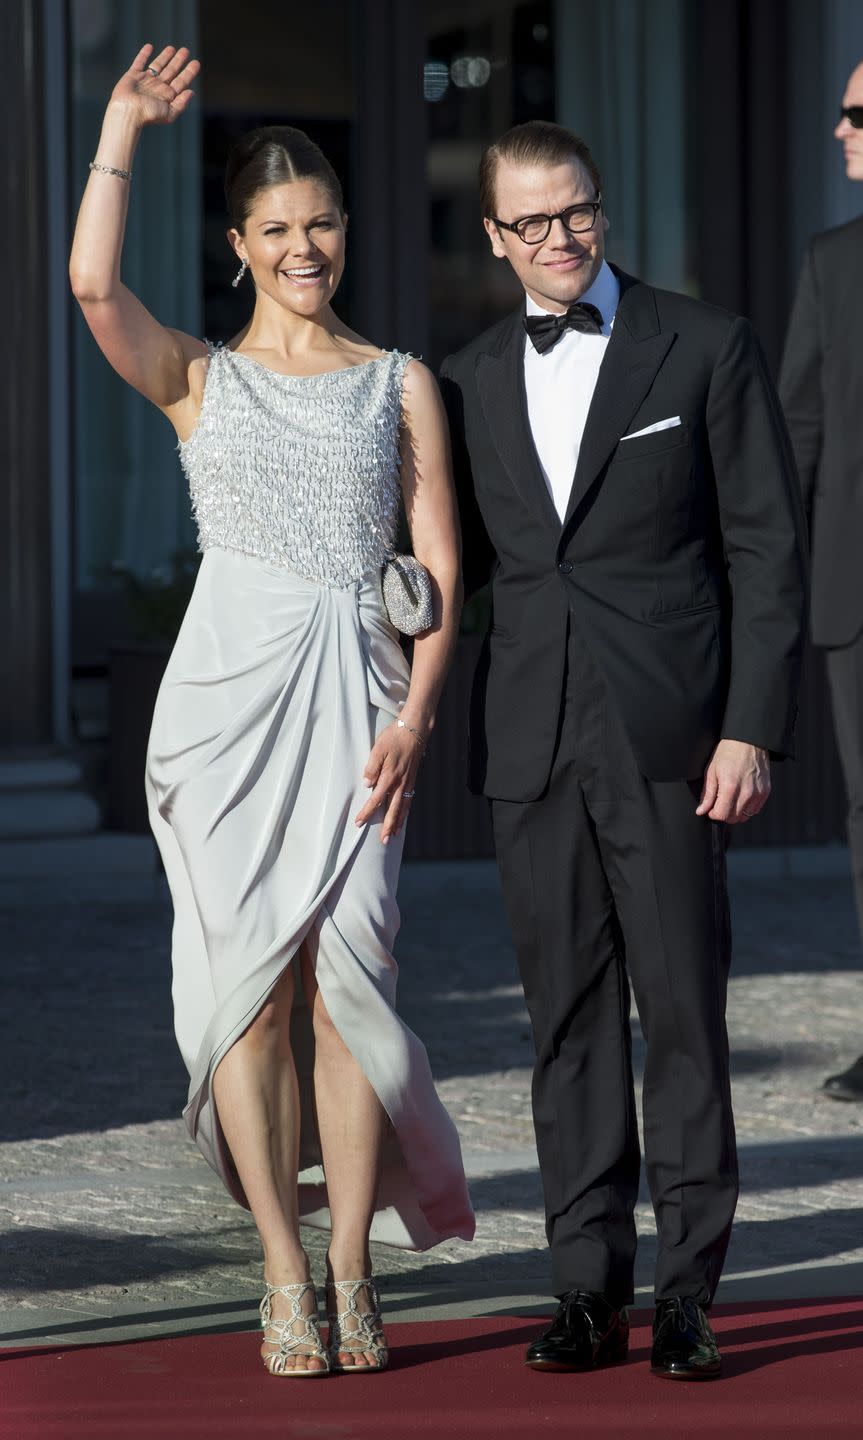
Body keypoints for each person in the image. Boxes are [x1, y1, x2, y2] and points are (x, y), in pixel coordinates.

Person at [69, 43, 474, 1379]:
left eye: (322, 225)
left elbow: (443, 574)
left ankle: (356, 1262)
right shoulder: (196, 376)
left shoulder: (396, 379)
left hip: (362, 716)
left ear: (347, 232)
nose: (305, 247)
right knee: (247, 1001)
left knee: (353, 983)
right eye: (278, 229)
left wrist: (415, 719)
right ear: (239, 245)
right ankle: (284, 1268)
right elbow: (88, 284)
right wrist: (123, 126)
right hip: (222, 723)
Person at [440, 121, 808, 1381]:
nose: (556, 239)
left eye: (574, 212)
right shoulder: (468, 376)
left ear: (602, 207)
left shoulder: (702, 345)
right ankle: (583, 1290)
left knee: (682, 1018)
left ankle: (689, 1292)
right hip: (528, 737)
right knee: (566, 1024)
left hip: (670, 734)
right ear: (492, 236)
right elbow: (459, 568)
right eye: (528, 223)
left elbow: (765, 549)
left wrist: (750, 722)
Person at [780, 61, 863, 1104]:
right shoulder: (830, 264)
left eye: (854, 113)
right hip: (855, 593)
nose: (838, 131)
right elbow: (796, 432)